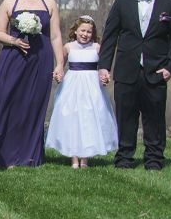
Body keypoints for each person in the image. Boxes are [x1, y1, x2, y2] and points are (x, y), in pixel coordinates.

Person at [98, 0, 171, 170]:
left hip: (156, 71)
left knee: (154, 119)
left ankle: (154, 159)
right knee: (125, 117)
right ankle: (124, 158)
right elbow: (110, 36)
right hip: (126, 71)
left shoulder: (169, 4)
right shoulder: (122, 1)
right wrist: (103, 66)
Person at [0, 0, 64, 168]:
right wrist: (14, 40)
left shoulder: (50, 3)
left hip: (41, 60)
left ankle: (29, 156)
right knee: (7, 102)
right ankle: (1, 154)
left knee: (33, 105)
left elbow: (55, 36)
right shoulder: (9, 2)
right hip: (13, 59)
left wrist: (59, 65)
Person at [45, 15, 118, 168]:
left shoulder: (97, 47)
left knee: (89, 120)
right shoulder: (68, 47)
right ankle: (74, 159)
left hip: (92, 88)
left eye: (89, 32)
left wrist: (104, 76)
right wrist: (58, 74)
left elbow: (103, 66)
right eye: (82, 31)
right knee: (72, 119)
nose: (85, 34)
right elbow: (61, 65)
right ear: (76, 31)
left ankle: (85, 158)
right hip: (72, 87)